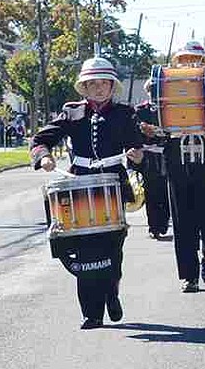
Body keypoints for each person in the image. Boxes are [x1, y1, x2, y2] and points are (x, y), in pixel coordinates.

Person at [30, 57, 145, 329]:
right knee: (84, 251)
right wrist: (44, 157)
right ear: (84, 87)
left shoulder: (125, 114)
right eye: (92, 84)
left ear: (111, 86)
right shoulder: (71, 113)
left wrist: (137, 155)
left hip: (113, 184)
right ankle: (92, 313)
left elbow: (137, 147)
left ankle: (111, 292)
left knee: (112, 249)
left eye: (103, 83)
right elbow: (39, 140)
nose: (98, 89)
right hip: (79, 185)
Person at [145, 41, 205, 293]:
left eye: (195, 58)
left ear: (203, 63)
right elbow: (154, 126)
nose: (189, 62)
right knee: (182, 220)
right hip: (177, 161)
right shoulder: (162, 88)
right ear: (176, 63)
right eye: (184, 58)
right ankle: (189, 275)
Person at [133, 96, 171, 237]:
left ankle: (164, 222)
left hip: (165, 154)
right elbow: (134, 131)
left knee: (167, 192)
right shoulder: (140, 110)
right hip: (148, 156)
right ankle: (153, 226)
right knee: (151, 193)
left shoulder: (167, 107)